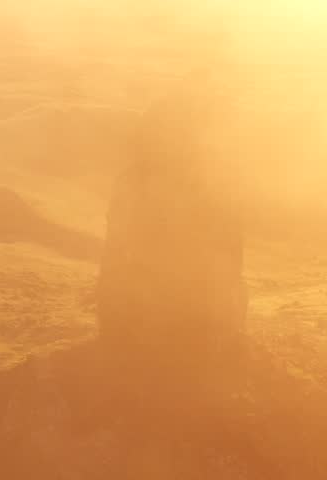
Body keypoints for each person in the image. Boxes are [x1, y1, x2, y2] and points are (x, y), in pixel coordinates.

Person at [97, 61, 248, 393]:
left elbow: (227, 255)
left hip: (171, 330)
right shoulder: (198, 180)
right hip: (163, 331)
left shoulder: (206, 180)